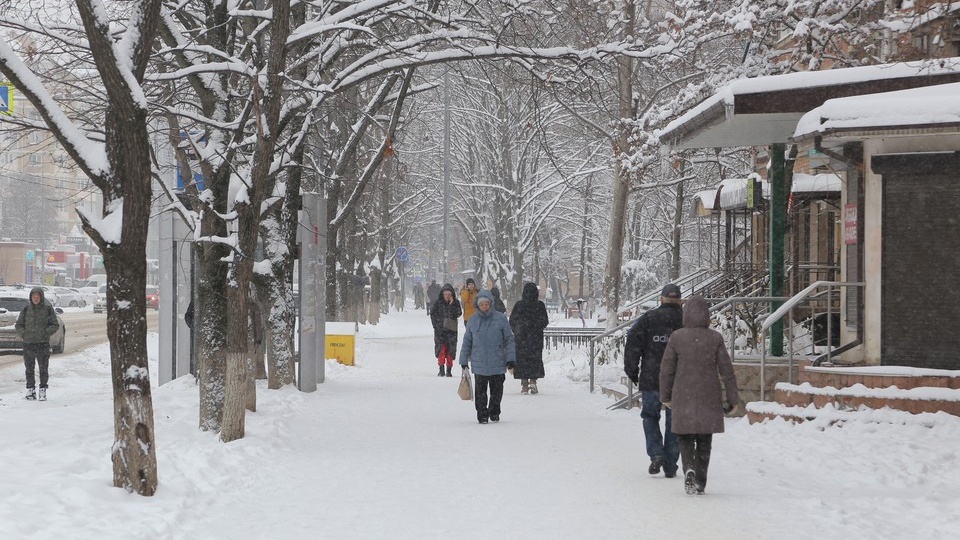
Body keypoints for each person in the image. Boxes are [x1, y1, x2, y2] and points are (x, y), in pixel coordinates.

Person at [659, 295, 739, 495]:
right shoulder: (715, 338)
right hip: (708, 394)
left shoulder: (677, 337)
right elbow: (727, 371)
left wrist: (665, 396)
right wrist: (733, 399)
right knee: (705, 438)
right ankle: (700, 481)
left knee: (685, 436)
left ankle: (689, 468)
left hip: (682, 393)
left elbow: (666, 370)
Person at [623, 283, 684, 478]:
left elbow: (632, 342)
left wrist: (632, 370)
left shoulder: (648, 319)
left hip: (652, 377)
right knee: (675, 421)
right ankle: (671, 464)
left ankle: (656, 453)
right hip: (678, 380)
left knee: (650, 416)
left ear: (661, 299)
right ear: (680, 300)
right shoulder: (686, 321)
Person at [460, 290, 516, 424]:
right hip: (479, 363)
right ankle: (482, 414)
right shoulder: (473, 320)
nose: (484, 307)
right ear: (477, 305)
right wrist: (463, 360)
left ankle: (494, 412)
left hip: (497, 361)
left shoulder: (500, 319)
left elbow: (509, 339)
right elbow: (467, 341)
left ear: (491, 304)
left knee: (497, 391)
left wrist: (510, 359)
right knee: (480, 392)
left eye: (486, 304)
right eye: (482, 304)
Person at [15, 287, 60, 401]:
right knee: (29, 368)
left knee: (43, 368)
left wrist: (45, 333)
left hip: (42, 343)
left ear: (41, 297)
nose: (35, 298)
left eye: (38, 296)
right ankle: (30, 389)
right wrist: (24, 334)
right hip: (28, 343)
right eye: (33, 296)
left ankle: (43, 389)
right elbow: (19, 325)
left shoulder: (47, 310)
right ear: (31, 298)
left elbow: (55, 325)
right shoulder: (26, 309)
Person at [508, 282, 549, 395]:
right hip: (535, 338)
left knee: (522, 361)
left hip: (522, 338)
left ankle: (524, 384)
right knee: (535, 360)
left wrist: (518, 330)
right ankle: (533, 381)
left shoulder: (519, 305)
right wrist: (535, 327)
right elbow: (544, 321)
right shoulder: (539, 305)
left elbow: (512, 320)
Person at [430, 283, 462, 377]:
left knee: (450, 351)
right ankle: (441, 370)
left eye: (449, 294)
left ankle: (449, 370)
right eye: (445, 294)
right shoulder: (438, 303)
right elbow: (432, 314)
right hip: (440, 331)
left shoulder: (455, 303)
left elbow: (458, 313)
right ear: (442, 294)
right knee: (441, 350)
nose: (447, 296)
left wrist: (451, 305)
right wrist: (436, 325)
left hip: (452, 331)